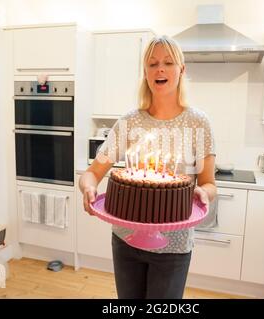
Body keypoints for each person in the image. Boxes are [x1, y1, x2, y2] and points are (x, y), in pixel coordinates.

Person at [79, 35, 217, 299]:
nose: (160, 69)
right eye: (152, 64)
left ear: (181, 70)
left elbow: (209, 184)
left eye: (168, 62)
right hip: (125, 240)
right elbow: (92, 173)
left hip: (174, 246)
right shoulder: (129, 122)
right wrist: (88, 188)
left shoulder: (199, 123)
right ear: (145, 72)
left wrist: (203, 193)